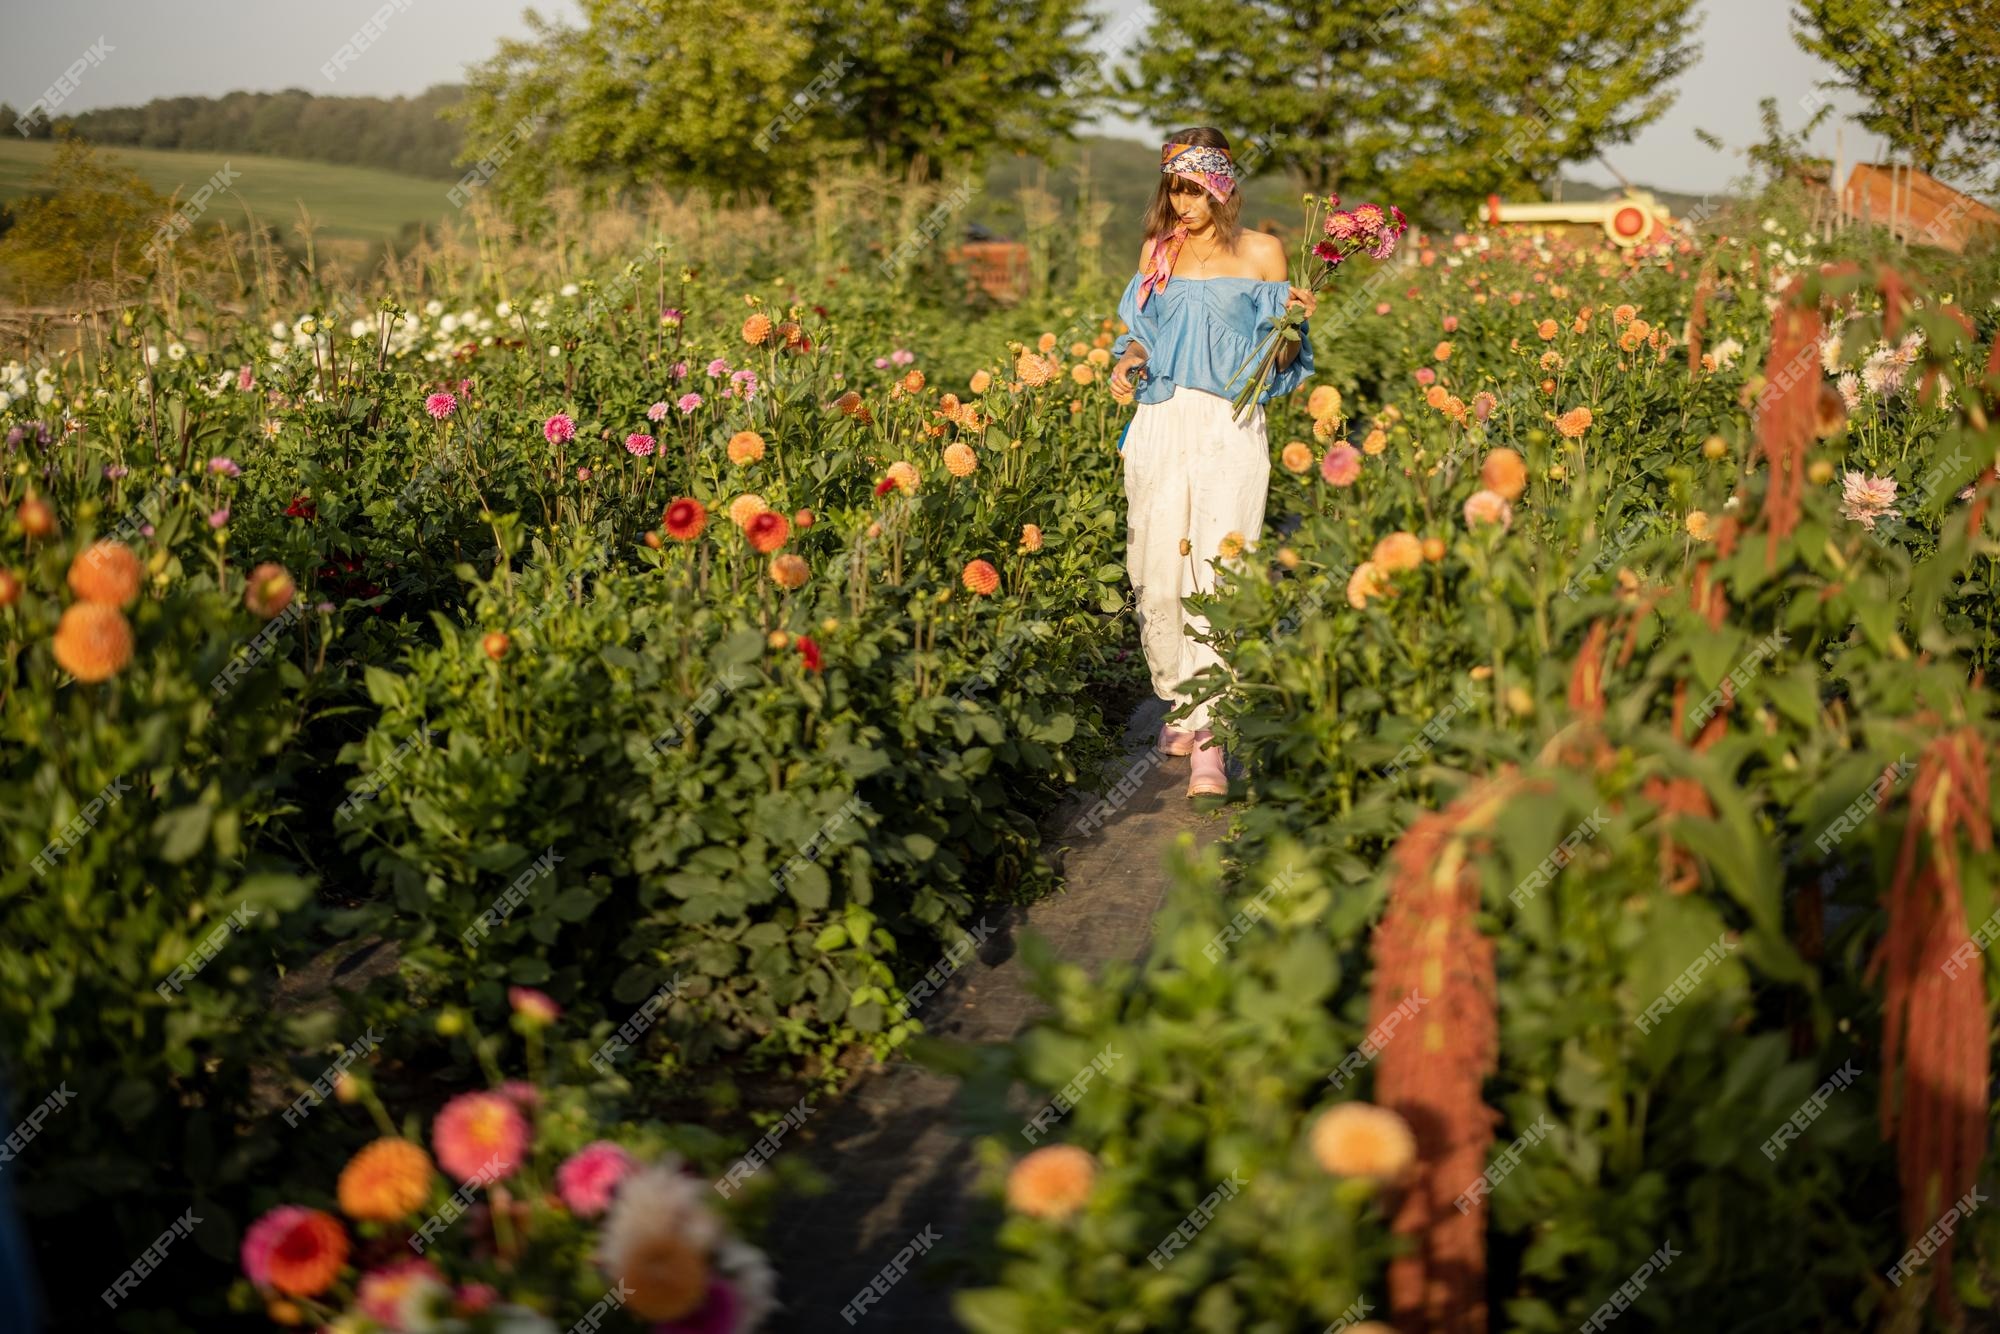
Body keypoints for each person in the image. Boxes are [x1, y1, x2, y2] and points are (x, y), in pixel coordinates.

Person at [1108, 127, 1316, 798]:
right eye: (1175, 187)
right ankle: (1181, 698)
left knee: (1220, 574)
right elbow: (1137, 340)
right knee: (1157, 575)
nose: (1184, 202)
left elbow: (1282, 364)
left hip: (1229, 425)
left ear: (1223, 186)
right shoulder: (1158, 252)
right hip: (1161, 422)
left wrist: (1291, 329)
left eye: (1196, 189)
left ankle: (1212, 736)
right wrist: (1129, 365)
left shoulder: (1262, 252)